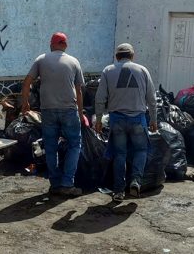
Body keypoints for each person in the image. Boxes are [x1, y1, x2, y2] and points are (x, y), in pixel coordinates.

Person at [22, 32, 85, 196]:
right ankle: (67, 183)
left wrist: (25, 103)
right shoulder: (74, 61)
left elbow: (27, 82)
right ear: (65, 45)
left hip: (48, 110)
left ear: (52, 44)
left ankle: (55, 183)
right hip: (69, 110)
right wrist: (80, 112)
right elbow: (79, 91)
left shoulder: (41, 59)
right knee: (74, 145)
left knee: (50, 148)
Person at [94, 43, 157, 201]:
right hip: (138, 119)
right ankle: (136, 181)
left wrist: (99, 120)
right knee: (141, 151)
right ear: (132, 56)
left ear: (117, 57)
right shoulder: (142, 70)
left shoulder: (108, 71)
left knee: (119, 154)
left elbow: (100, 98)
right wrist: (154, 120)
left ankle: (119, 191)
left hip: (117, 120)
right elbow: (152, 99)